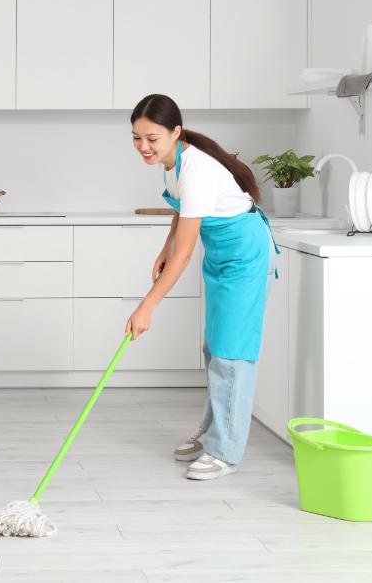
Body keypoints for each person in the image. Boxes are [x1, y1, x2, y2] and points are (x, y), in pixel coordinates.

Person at [125, 94, 278, 480]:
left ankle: (225, 452)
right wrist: (164, 246)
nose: (144, 147)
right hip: (221, 252)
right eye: (137, 137)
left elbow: (185, 253)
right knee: (214, 346)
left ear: (175, 132)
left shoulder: (197, 169)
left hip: (243, 253)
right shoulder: (171, 162)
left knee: (232, 351)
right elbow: (182, 210)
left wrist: (147, 307)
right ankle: (214, 431)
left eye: (152, 138)